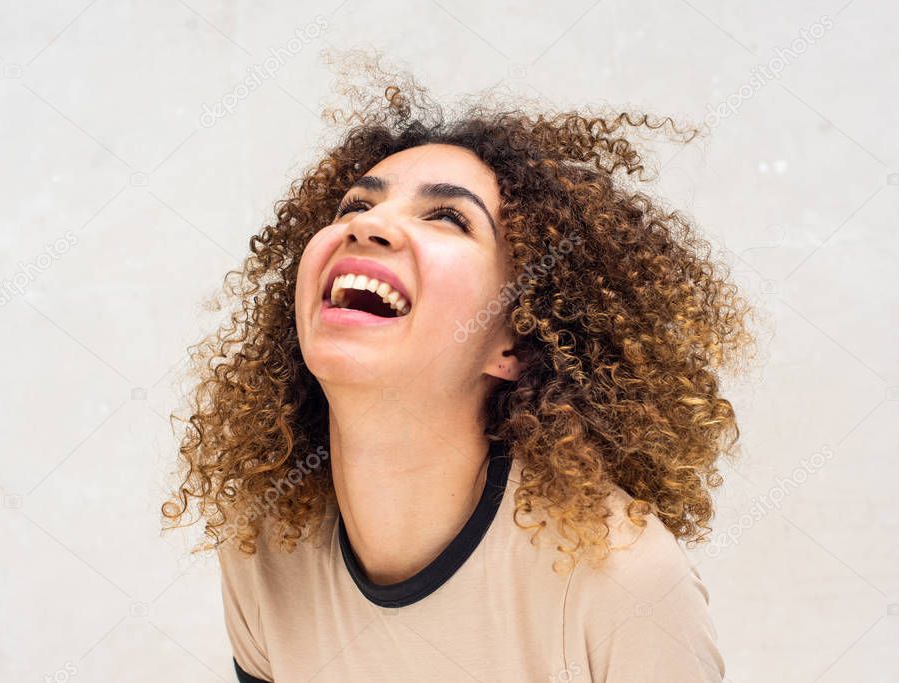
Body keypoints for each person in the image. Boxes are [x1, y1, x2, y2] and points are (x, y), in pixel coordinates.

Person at [161, 52, 755, 682]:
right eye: (353, 207)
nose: (369, 226)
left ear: (515, 343)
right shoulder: (265, 547)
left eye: (447, 217)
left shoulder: (622, 580)